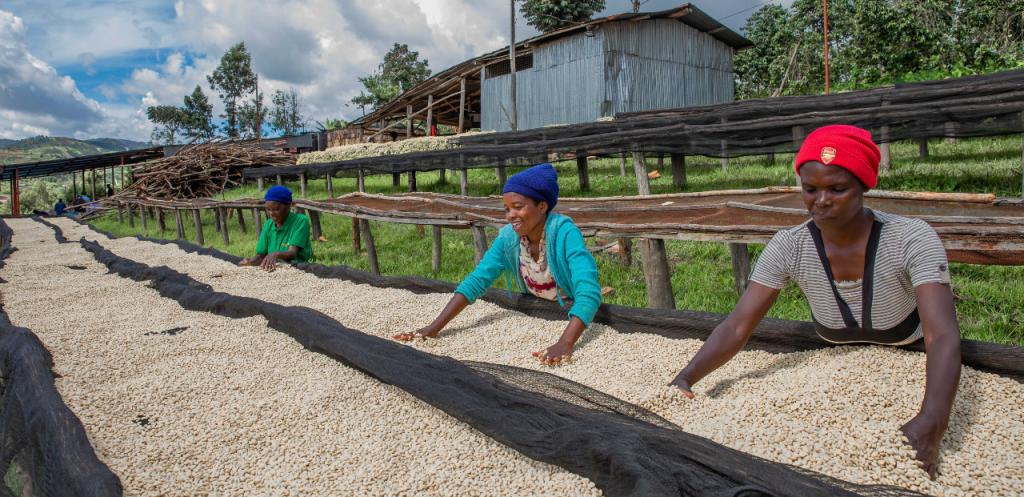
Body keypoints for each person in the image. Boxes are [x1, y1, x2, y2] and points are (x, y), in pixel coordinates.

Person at [668, 125, 961, 477]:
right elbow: (737, 325)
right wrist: (685, 379)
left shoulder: (911, 237)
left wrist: (932, 421)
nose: (821, 201)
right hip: (834, 366)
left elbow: (941, 336)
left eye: (837, 189)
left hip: (909, 357)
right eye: (810, 189)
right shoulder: (790, 245)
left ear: (864, 186)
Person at [392, 163, 602, 366]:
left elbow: (589, 292)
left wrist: (564, 343)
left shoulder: (565, 233)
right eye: (507, 209)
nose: (511, 215)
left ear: (542, 206)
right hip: (540, 307)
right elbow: (477, 281)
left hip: (568, 308)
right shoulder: (509, 238)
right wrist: (433, 328)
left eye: (518, 207)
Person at [238, 185, 313, 271]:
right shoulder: (268, 225)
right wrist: (251, 261)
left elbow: (292, 252)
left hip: (297, 267)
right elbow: (261, 255)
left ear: (289, 205)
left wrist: (275, 254)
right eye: (268, 209)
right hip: (275, 269)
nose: (271, 213)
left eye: (276, 209)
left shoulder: (300, 221)